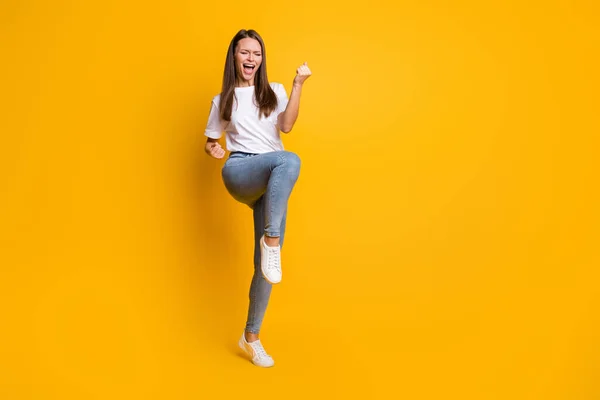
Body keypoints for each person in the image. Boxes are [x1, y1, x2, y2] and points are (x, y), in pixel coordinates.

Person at [203, 29, 311, 367]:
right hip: (240, 171)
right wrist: (214, 147)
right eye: (245, 52)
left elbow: (287, 126)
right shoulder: (223, 99)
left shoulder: (274, 91)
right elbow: (210, 140)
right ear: (234, 56)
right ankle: (273, 239)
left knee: (265, 269)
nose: (251, 59)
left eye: (257, 53)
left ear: (262, 59)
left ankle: (251, 337)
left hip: (273, 181)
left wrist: (297, 86)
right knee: (290, 159)